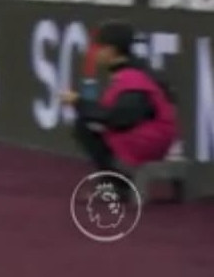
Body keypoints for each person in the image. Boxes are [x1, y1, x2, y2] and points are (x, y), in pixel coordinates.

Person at [62, 21, 179, 184]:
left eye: (98, 48)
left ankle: (117, 182)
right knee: (91, 124)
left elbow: (121, 117)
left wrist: (79, 103)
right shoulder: (138, 71)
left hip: (151, 141)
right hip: (156, 136)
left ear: (111, 50)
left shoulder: (133, 77)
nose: (94, 53)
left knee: (85, 126)